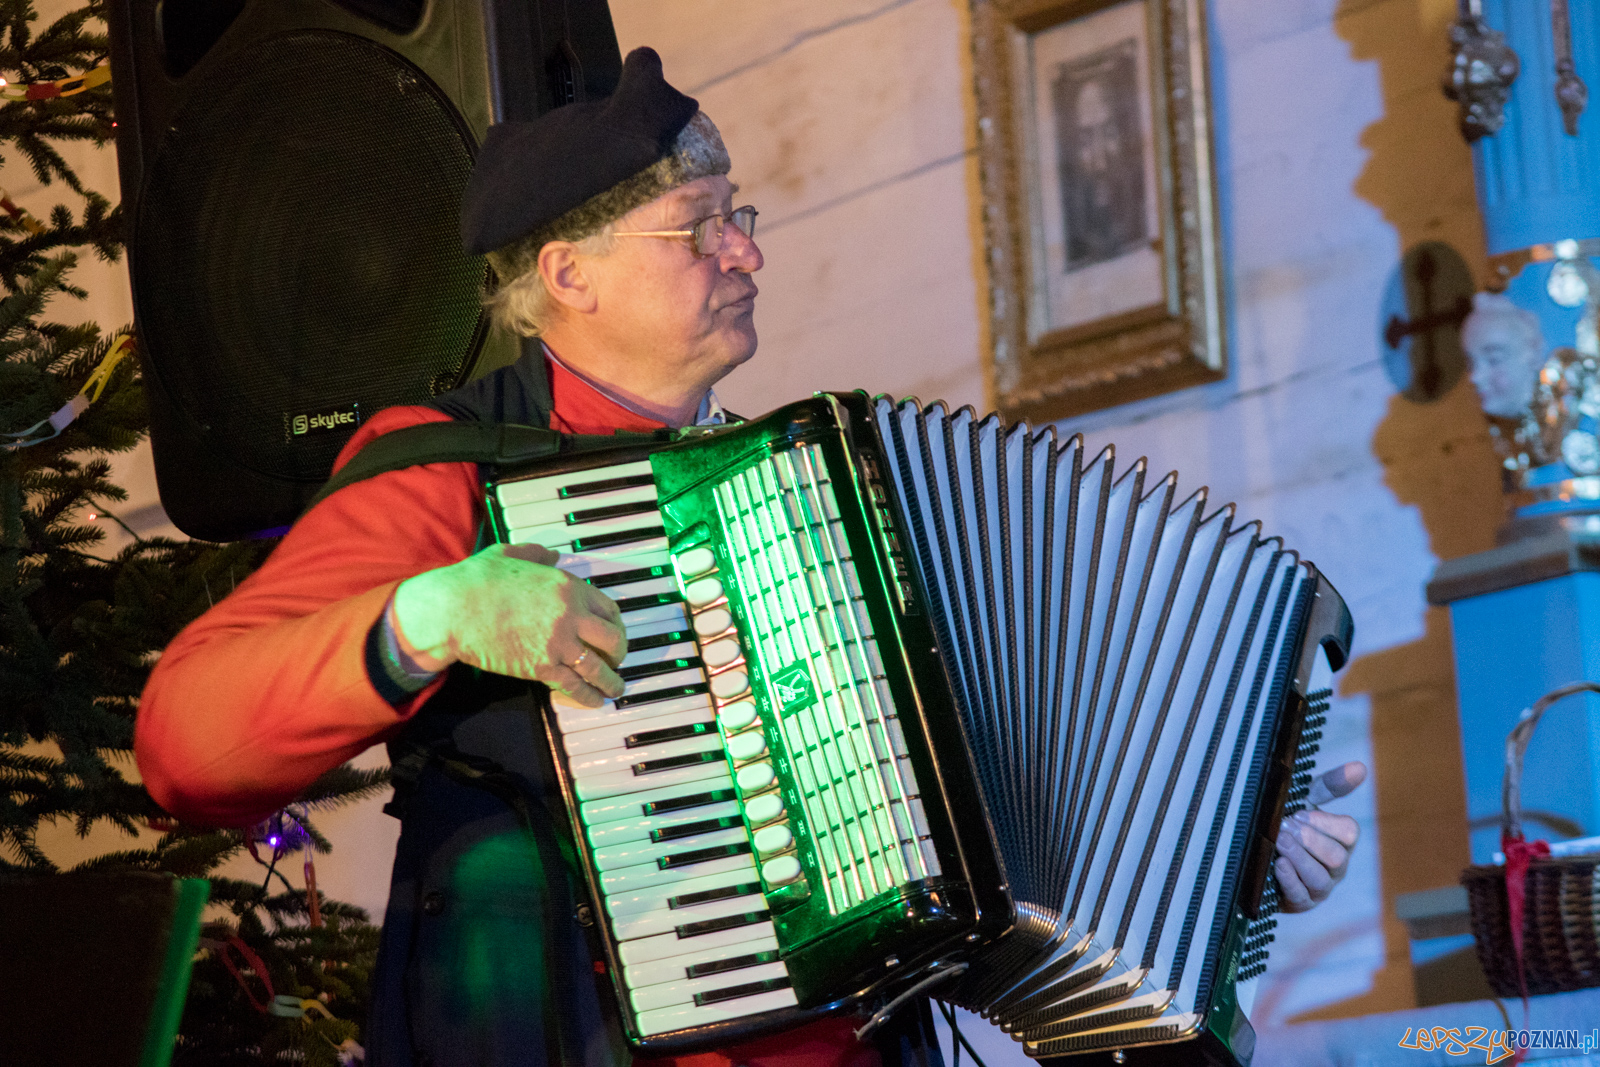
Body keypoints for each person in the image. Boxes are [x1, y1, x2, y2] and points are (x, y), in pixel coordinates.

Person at [135, 46, 1362, 1067]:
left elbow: (980, 798)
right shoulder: (449, 466)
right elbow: (186, 745)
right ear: (568, 275)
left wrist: (1233, 847)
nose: (747, 255)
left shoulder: (828, 483)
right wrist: (428, 615)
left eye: (741, 219)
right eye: (698, 229)